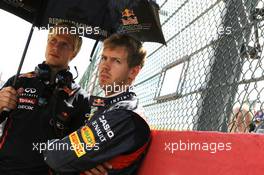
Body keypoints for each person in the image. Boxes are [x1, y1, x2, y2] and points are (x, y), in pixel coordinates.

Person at [0, 22, 110, 175]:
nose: (56, 47)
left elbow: (79, 147)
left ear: (74, 53)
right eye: (53, 40)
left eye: (65, 44)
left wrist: (89, 161)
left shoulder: (81, 98)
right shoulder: (18, 81)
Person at [43, 34, 151, 175]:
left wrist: (51, 147)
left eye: (116, 61)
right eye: (104, 58)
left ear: (133, 71)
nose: (105, 66)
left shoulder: (125, 114)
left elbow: (56, 158)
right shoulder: (111, 106)